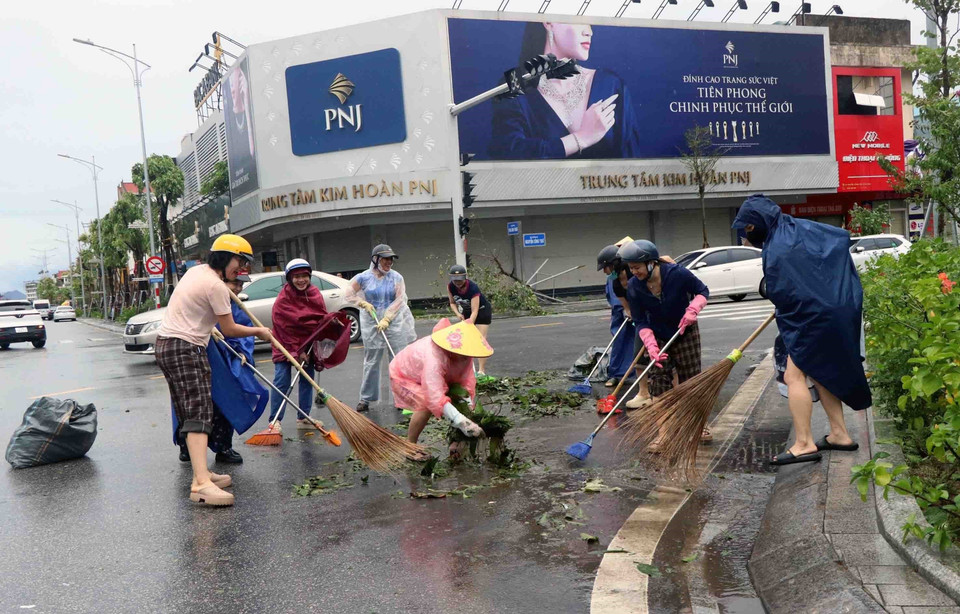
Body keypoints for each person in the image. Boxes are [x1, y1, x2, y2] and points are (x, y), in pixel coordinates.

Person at [733, 194, 871, 465]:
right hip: (840, 307)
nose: (748, 235)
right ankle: (840, 434)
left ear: (759, 222)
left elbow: (780, 290)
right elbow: (839, 240)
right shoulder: (800, 227)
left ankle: (804, 443)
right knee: (820, 371)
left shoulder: (776, 247)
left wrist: (784, 303)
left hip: (814, 317)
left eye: (749, 229)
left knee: (793, 376)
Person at [156, 234, 272, 507]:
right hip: (185, 348)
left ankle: (203, 472)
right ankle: (201, 484)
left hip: (169, 345)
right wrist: (260, 331)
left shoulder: (196, 273)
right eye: (239, 261)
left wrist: (209, 329)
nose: (240, 269)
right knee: (199, 411)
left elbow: (194, 313)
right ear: (223, 257)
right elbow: (230, 328)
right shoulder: (216, 286)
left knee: (191, 410)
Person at [488, 22, 642, 160]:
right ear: (548, 22)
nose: (589, 32)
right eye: (579, 19)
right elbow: (508, 153)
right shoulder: (514, 82)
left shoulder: (610, 84)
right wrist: (581, 138)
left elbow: (631, 164)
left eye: (590, 22)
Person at [621, 240, 712, 443]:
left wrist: (693, 309)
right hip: (659, 336)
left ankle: (699, 425)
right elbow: (640, 320)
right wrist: (651, 345)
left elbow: (703, 291)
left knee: (691, 381)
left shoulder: (676, 274)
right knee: (658, 384)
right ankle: (664, 434)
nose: (633, 272)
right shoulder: (635, 286)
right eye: (630, 268)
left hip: (685, 331)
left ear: (651, 262)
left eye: (637, 267)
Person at [176, 273, 253, 464]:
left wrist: (243, 352)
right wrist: (208, 328)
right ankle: (187, 447)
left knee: (225, 403)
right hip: (197, 359)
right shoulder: (203, 301)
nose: (237, 288)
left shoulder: (236, 308)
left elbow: (242, 332)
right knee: (191, 404)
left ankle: (223, 447)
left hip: (226, 366)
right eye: (234, 283)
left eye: (240, 285)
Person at [390, 318, 490, 455]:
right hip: (406, 374)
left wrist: (467, 412)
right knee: (425, 405)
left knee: (458, 403)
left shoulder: (464, 355)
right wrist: (462, 422)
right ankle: (410, 447)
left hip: (430, 375)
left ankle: (455, 445)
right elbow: (434, 395)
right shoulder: (435, 357)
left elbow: (465, 385)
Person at [346, 244, 417, 412]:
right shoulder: (363, 277)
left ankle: (403, 398)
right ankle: (365, 399)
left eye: (391, 259)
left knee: (398, 359)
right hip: (371, 321)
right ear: (375, 259)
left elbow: (400, 299)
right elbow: (348, 293)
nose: (389, 262)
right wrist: (362, 302)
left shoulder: (397, 277)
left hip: (393, 321)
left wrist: (387, 317)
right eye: (385, 258)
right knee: (372, 360)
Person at [266, 258, 330, 431]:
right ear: (289, 278)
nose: (301, 280)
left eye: (304, 276)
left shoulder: (315, 293)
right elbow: (282, 328)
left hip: (307, 345)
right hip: (284, 344)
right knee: (282, 380)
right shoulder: (283, 300)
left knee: (306, 380)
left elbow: (319, 319)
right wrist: (296, 351)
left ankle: (303, 418)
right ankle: (275, 420)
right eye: (296, 276)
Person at [597, 244, 637, 389]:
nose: (604, 272)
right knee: (619, 341)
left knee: (639, 340)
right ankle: (616, 374)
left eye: (605, 268)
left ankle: (641, 373)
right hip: (621, 313)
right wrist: (625, 310)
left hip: (637, 311)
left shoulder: (633, 271)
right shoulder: (613, 280)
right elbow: (617, 298)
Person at [446, 264, 493, 376]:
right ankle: (467, 370)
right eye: (455, 280)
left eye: (460, 280)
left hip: (482, 311)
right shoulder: (451, 286)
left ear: (465, 277)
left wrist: (469, 323)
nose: (457, 282)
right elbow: (452, 303)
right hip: (466, 311)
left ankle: (481, 370)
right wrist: (458, 314)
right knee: (466, 340)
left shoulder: (472, 287)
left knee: (480, 339)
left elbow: (475, 311)